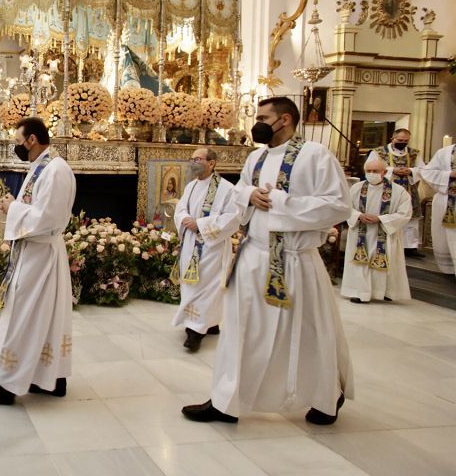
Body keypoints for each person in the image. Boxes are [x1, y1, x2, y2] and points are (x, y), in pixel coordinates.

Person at [182, 97, 353, 426]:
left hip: (295, 259)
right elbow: (239, 192)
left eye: (263, 117)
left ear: (285, 119)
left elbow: (337, 206)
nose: (256, 122)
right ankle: (225, 401)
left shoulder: (316, 155)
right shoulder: (256, 156)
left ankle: (326, 395)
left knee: (307, 331)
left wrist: (278, 200)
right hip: (253, 254)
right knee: (240, 330)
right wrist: (248, 195)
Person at [0, 117, 76, 405]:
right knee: (43, 316)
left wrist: (12, 207)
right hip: (35, 251)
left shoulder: (54, 170)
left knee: (23, 316)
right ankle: (50, 379)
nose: (17, 147)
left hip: (40, 255)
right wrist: (16, 206)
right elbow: (38, 209)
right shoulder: (42, 166)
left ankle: (5, 385)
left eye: (18, 142)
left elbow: (47, 219)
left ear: (31, 139)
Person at [172, 148, 240, 352]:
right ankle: (209, 323)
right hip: (190, 243)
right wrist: (185, 219)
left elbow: (233, 217)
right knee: (190, 283)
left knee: (206, 286)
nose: (194, 162)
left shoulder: (227, 189)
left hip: (212, 246)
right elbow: (180, 207)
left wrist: (200, 224)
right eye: (192, 159)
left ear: (211, 163)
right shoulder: (191, 186)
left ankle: (195, 332)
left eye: (198, 159)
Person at [341, 156, 412, 304]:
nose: (371, 173)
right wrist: (359, 215)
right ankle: (360, 292)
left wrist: (380, 219)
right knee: (361, 263)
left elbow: (405, 213)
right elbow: (345, 207)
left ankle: (384, 291)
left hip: (385, 234)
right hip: (360, 233)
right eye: (368, 171)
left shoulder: (399, 191)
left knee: (385, 261)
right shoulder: (356, 188)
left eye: (375, 170)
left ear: (384, 171)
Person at [365, 129, 425, 258]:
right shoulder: (379, 152)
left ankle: (410, 248)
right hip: (387, 190)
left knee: (410, 217)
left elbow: (423, 169)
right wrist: (393, 170)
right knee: (390, 214)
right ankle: (388, 242)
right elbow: (369, 166)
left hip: (409, 189)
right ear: (393, 138)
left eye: (405, 141)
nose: (403, 143)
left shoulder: (414, 153)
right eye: (400, 140)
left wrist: (410, 171)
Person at [421, 141, 456, 280]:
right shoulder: (445, 152)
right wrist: (450, 174)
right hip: (447, 199)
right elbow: (427, 172)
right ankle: (450, 270)